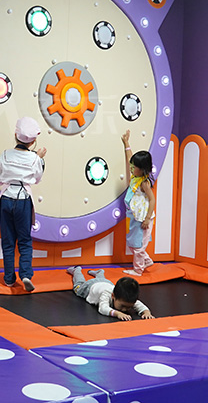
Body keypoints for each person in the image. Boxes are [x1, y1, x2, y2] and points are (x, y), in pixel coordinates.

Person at [0, 117, 46, 292]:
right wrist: (39, 159)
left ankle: (8, 279)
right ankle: (26, 274)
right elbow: (37, 179)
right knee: (25, 241)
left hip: (6, 199)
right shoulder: (35, 159)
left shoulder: (5, 155)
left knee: (7, 241)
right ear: (33, 141)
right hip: (23, 201)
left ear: (15, 135)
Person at [121, 130, 156, 276]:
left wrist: (147, 219)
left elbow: (152, 200)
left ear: (142, 170)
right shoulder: (136, 177)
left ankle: (138, 270)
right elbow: (130, 158)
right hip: (134, 216)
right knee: (133, 242)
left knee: (138, 246)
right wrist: (126, 143)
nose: (131, 168)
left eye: (134, 167)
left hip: (143, 219)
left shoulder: (144, 183)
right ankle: (146, 260)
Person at [67, 266, 154, 321]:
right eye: (122, 306)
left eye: (129, 307)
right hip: (90, 286)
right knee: (78, 285)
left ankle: (100, 272)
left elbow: (139, 305)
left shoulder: (126, 298)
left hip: (107, 283)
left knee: (102, 279)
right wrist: (117, 313)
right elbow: (102, 308)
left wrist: (146, 312)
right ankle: (76, 270)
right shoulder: (106, 294)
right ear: (113, 296)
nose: (124, 310)